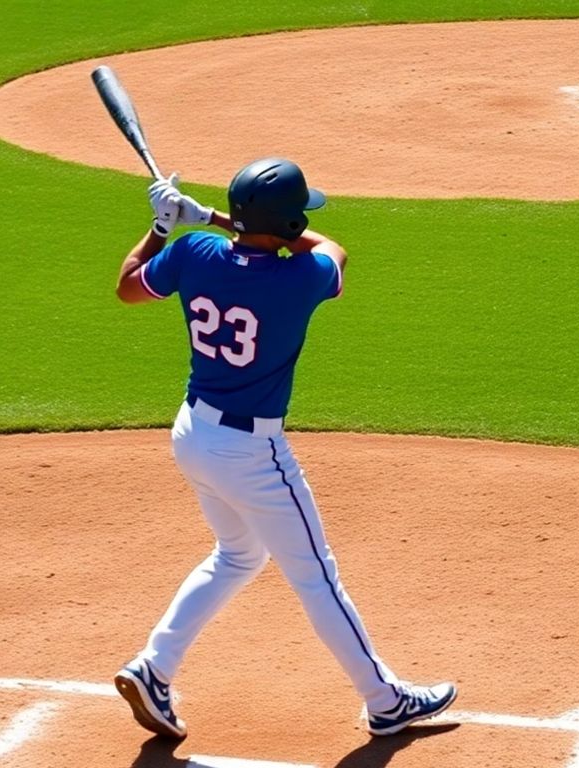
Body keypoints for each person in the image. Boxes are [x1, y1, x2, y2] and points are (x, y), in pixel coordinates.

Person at [111, 158, 457, 739]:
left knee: (238, 556)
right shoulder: (298, 279)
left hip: (192, 434)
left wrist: (167, 226)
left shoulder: (193, 253)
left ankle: (154, 668)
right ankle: (385, 701)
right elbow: (333, 249)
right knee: (318, 577)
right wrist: (221, 219)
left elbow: (127, 288)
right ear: (287, 220)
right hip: (252, 454)